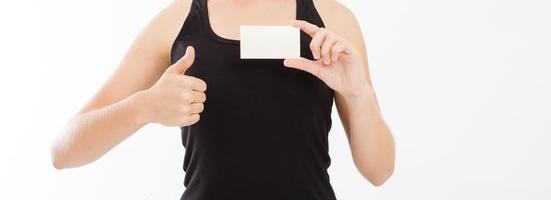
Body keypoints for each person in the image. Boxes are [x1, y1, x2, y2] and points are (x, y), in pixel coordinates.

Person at [51, 0, 395, 199]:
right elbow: (64, 151)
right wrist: (144, 107)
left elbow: (379, 171)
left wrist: (359, 93)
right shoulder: (177, 21)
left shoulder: (334, 21)